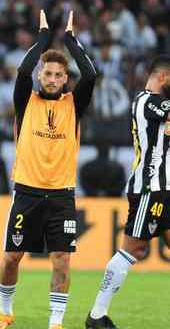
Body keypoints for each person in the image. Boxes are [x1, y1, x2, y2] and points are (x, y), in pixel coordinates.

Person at [0, 10, 96, 329]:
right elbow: (22, 71)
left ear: (65, 79)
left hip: (62, 195)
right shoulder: (26, 100)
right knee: (11, 258)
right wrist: (43, 39)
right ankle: (5, 311)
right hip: (27, 191)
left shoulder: (73, 105)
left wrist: (71, 42)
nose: (51, 79)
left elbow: (90, 75)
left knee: (61, 259)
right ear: (41, 76)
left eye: (58, 75)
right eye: (47, 74)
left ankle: (55, 323)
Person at [85, 55, 170, 329]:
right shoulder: (147, 101)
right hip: (149, 187)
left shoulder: (156, 104)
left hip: (164, 187)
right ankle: (97, 315)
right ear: (164, 77)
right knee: (133, 247)